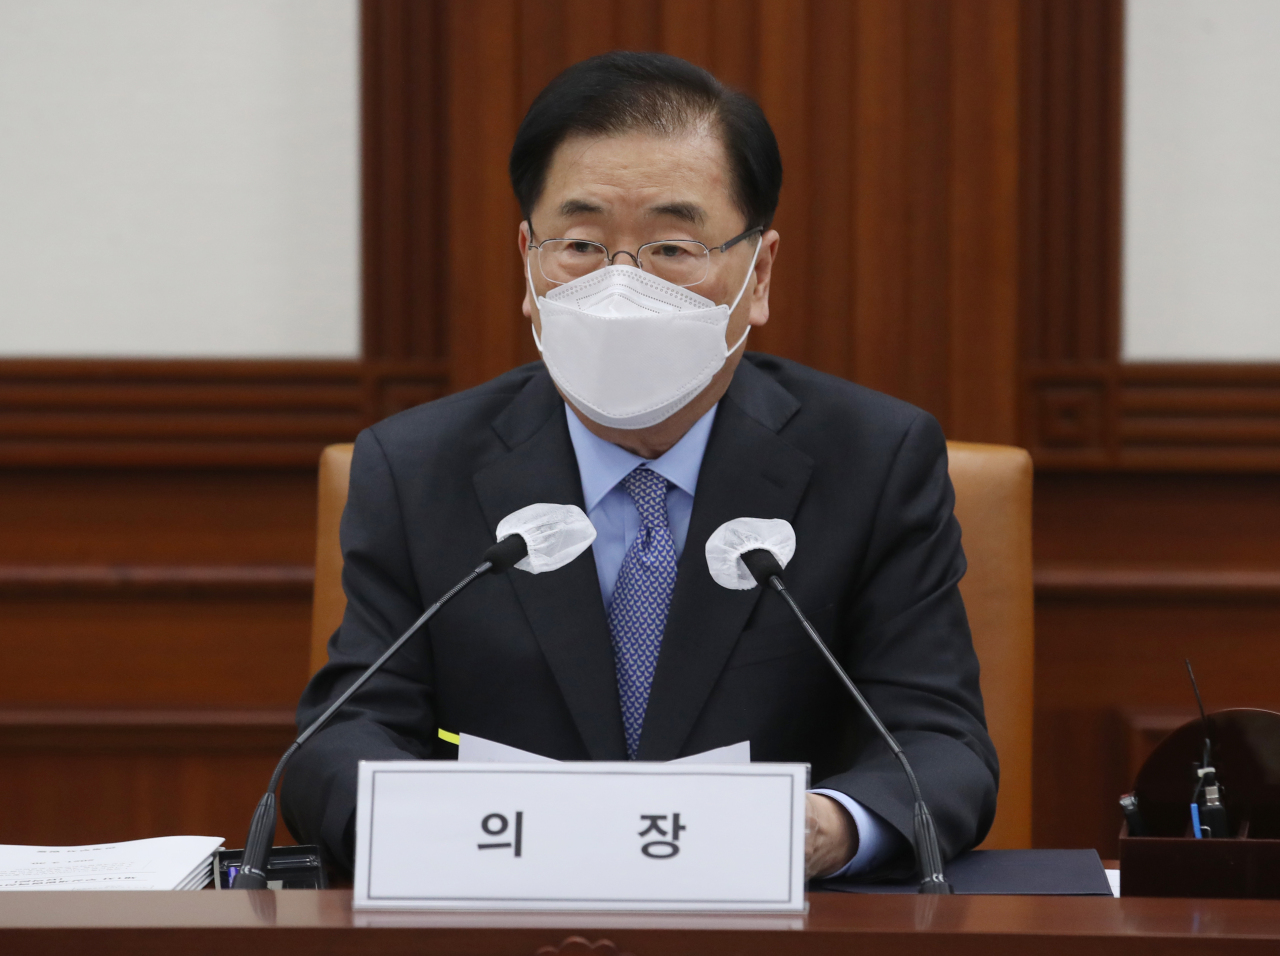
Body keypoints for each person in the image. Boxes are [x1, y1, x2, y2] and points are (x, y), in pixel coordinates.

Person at [282, 51, 997, 881]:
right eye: (580, 243)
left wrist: (829, 826)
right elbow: (338, 739)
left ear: (758, 273)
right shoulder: (417, 467)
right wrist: (453, 828)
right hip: (502, 912)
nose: (619, 287)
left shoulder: (872, 459)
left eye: (671, 247)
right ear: (528, 260)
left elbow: (940, 744)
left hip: (774, 926)